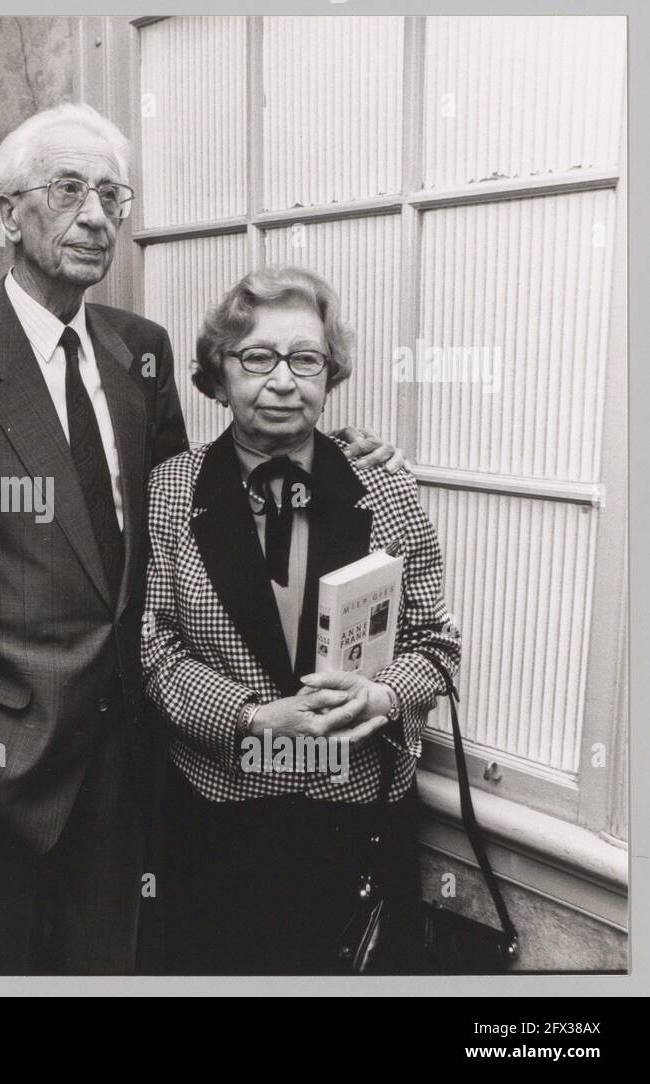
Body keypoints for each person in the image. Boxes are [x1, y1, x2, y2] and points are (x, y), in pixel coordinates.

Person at [0, 107, 405, 974]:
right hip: (14, 742)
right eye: (67, 190)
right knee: (4, 958)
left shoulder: (141, 351)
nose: (97, 217)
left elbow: (188, 519)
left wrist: (334, 453)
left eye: (113, 196)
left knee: (120, 956)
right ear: (8, 213)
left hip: (144, 746)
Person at [140, 265, 461, 973]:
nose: (283, 380)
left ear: (329, 373)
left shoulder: (385, 486)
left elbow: (436, 642)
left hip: (359, 814)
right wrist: (256, 718)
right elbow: (153, 650)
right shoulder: (168, 492)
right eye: (258, 357)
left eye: (306, 359)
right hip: (224, 815)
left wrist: (384, 694)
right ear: (218, 374)